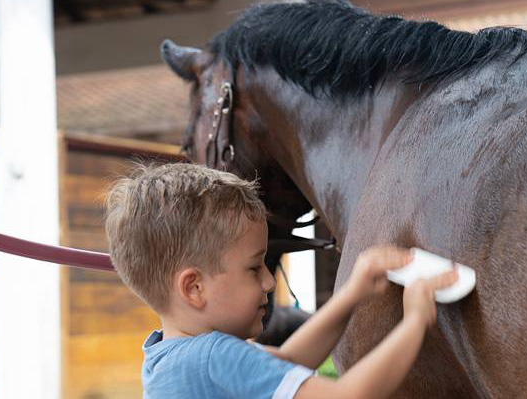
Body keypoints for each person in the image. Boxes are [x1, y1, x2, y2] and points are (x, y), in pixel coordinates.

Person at [104, 163, 457, 399]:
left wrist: (353, 294)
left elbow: (289, 358)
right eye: (254, 268)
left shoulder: (169, 355)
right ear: (194, 288)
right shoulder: (212, 357)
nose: (270, 282)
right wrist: (415, 321)